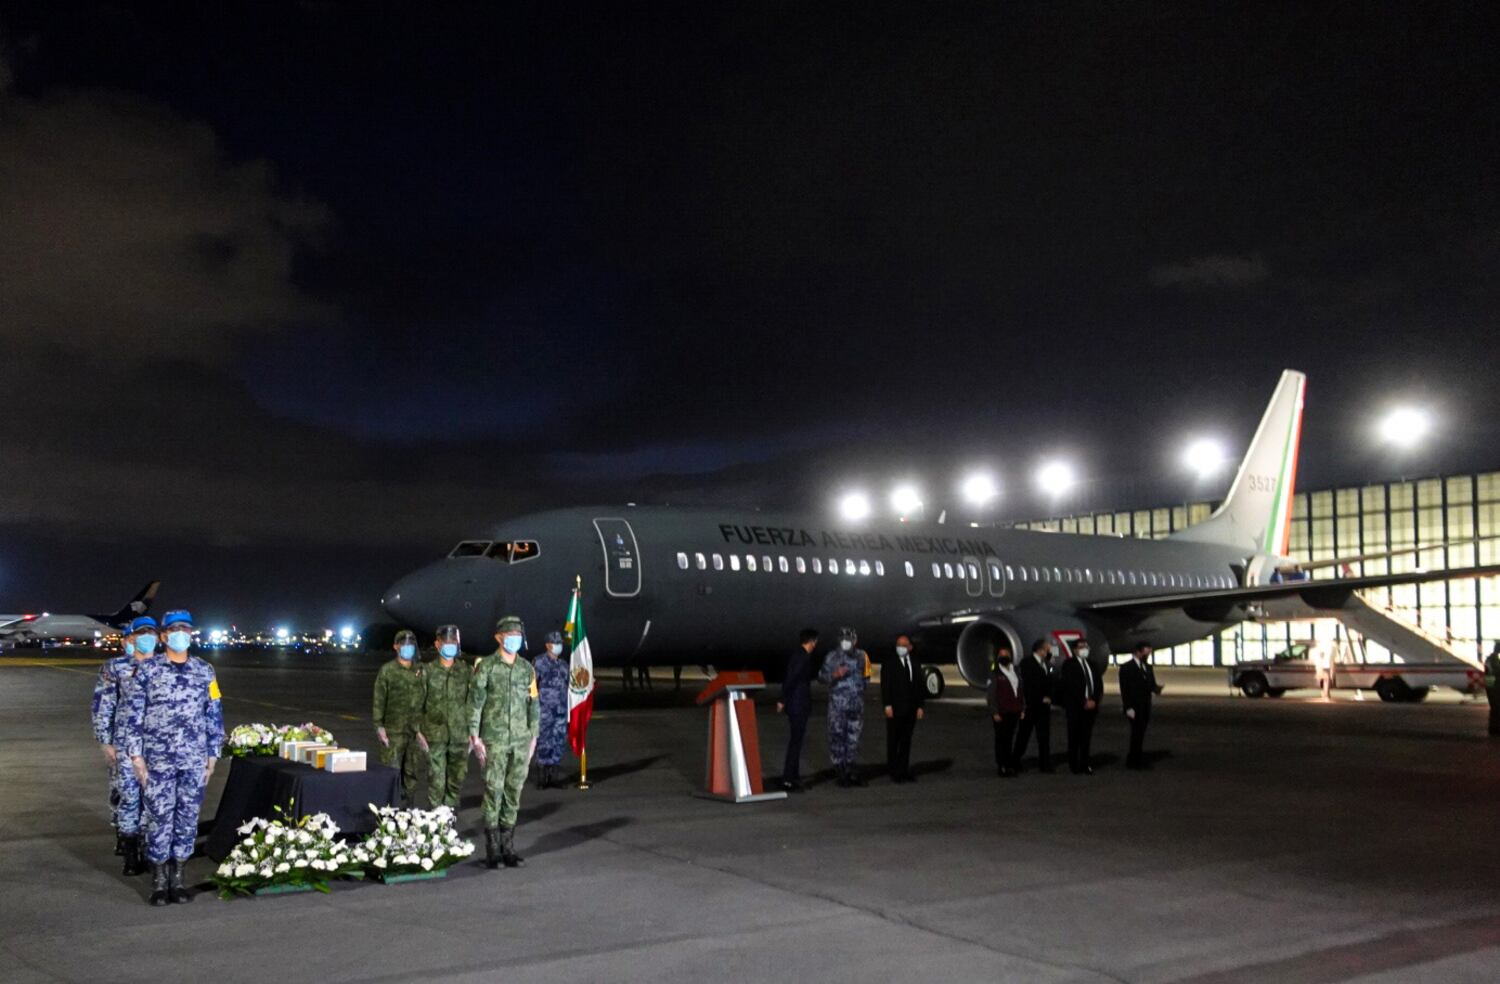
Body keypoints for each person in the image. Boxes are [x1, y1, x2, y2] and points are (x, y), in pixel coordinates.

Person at [123, 610, 223, 906]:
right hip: (158, 761)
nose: (182, 633)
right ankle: (158, 879)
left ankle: (178, 877)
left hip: (193, 760)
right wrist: (136, 757)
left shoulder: (204, 670)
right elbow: (133, 715)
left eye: (186, 629)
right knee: (159, 818)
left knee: (187, 819)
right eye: (175, 629)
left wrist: (213, 755)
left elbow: (214, 714)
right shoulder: (148, 670)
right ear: (164, 636)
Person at [91, 616, 160, 874]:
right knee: (130, 797)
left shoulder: (164, 667)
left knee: (153, 799)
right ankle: (130, 852)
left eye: (151, 633)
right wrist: (104, 741)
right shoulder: (117, 667)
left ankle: (148, 846)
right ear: (130, 639)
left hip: (157, 746)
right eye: (141, 633)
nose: (147, 637)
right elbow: (103, 705)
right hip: (125, 744)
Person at [470, 615, 539, 869]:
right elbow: (475, 703)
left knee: (513, 793)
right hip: (494, 740)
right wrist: (475, 738)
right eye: (510, 636)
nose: (515, 640)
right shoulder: (486, 667)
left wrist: (534, 737)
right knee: (493, 792)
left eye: (518, 637)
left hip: (521, 741)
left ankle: (508, 848)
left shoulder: (526, 669)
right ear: (499, 638)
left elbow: (534, 704)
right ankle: (492, 850)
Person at [417, 625, 471, 808]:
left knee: (456, 781)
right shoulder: (426, 671)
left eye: (454, 642)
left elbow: (474, 703)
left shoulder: (466, 671)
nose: (450, 646)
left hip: (460, 736)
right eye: (446, 642)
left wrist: (474, 734)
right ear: (437, 644)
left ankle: (449, 819)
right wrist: (417, 732)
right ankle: (436, 821)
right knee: (436, 781)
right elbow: (416, 704)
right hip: (434, 736)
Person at [372, 629, 425, 806]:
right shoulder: (387, 671)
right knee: (391, 772)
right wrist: (379, 726)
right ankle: (389, 811)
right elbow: (379, 700)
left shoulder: (421, 671)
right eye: (404, 645)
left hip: (415, 732)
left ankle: (408, 809)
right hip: (393, 731)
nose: (408, 648)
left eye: (411, 645)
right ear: (396, 647)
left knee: (412, 773)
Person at [819, 626, 867, 787]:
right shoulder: (832, 657)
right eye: (843, 639)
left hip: (856, 705)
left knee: (853, 739)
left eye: (849, 639)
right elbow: (821, 677)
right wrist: (834, 675)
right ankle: (840, 771)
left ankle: (851, 770)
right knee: (837, 738)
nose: (846, 642)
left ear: (855, 640)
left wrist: (859, 692)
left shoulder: (861, 656)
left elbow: (866, 677)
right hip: (838, 706)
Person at [880, 634, 926, 783]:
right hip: (895, 708)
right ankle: (894, 771)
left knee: (906, 741)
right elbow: (885, 686)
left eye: (904, 645)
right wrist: (887, 705)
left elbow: (919, 686)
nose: (900, 647)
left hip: (911, 709)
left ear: (910, 648)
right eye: (898, 644)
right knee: (893, 741)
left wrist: (920, 706)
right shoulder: (889, 663)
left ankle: (904, 770)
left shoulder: (915, 662)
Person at [777, 628, 818, 792]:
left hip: (797, 704)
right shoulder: (802, 657)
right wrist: (782, 700)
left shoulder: (799, 655)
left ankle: (794, 775)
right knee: (795, 742)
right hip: (797, 705)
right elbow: (791, 679)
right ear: (812, 641)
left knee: (797, 742)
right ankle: (788, 778)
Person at [1058, 638, 1100, 775]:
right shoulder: (1069, 665)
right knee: (1074, 736)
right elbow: (1070, 687)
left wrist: (1094, 700)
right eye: (1081, 647)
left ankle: (1085, 763)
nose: (1085, 649)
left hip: (1091, 707)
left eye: (1086, 646)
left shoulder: (1092, 665)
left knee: (1086, 737)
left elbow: (1098, 685)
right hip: (1076, 707)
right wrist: (1083, 701)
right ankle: (1074, 764)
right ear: (1075, 650)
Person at [1013, 638, 1055, 773]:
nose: (1050, 652)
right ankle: (1015, 760)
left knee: (1044, 737)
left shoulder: (1046, 664)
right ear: (1041, 649)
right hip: (1031, 706)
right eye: (1048, 649)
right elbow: (1029, 685)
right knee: (1024, 735)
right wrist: (1040, 698)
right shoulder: (1027, 663)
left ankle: (1045, 764)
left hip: (1044, 707)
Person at [533, 630, 570, 789]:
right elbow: (533, 686)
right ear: (548, 645)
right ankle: (542, 778)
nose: (558, 646)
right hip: (545, 710)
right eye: (555, 643)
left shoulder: (563, 665)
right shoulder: (539, 662)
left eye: (560, 643)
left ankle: (553, 777)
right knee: (543, 743)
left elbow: (569, 684)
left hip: (560, 710)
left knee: (558, 742)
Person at [1119, 643, 1163, 769]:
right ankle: (1133, 760)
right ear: (1138, 652)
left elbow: (1151, 684)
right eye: (1146, 652)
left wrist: (1156, 689)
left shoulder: (1148, 667)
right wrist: (1128, 707)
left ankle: (1136, 757)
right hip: (1133, 706)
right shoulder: (1127, 667)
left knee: (1141, 733)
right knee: (1136, 733)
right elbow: (1124, 689)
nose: (1148, 654)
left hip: (1145, 706)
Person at [987, 643, 1025, 777]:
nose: (1004, 658)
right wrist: (994, 711)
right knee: (1000, 740)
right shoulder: (995, 673)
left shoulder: (1016, 670)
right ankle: (1001, 765)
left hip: (1014, 711)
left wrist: (1022, 708)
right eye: (1001, 656)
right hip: (1001, 712)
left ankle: (1008, 764)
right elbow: (991, 694)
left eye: (1006, 655)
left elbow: (1020, 690)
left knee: (1009, 739)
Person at [1484, 642, 1500, 736]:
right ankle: (1495, 730)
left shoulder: (1490, 659)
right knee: (1496, 709)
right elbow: (1496, 672)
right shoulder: (1494, 659)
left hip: (1491, 687)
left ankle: (1494, 730)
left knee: (1495, 709)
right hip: (1494, 687)